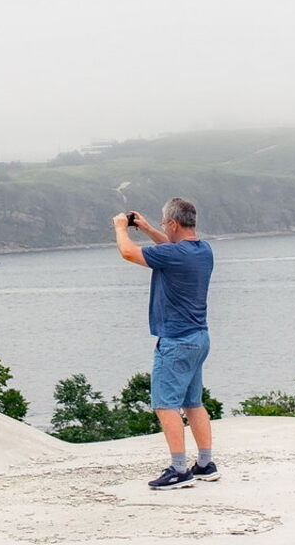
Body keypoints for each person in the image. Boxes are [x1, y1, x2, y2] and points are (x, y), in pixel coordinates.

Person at [114, 198, 217, 490]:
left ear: (172, 223)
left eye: (163, 223)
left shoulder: (173, 254)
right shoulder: (203, 250)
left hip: (176, 341)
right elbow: (170, 247)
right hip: (199, 338)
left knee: (165, 405)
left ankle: (179, 469)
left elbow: (128, 252)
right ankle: (205, 464)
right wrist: (147, 228)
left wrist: (121, 227)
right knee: (193, 403)